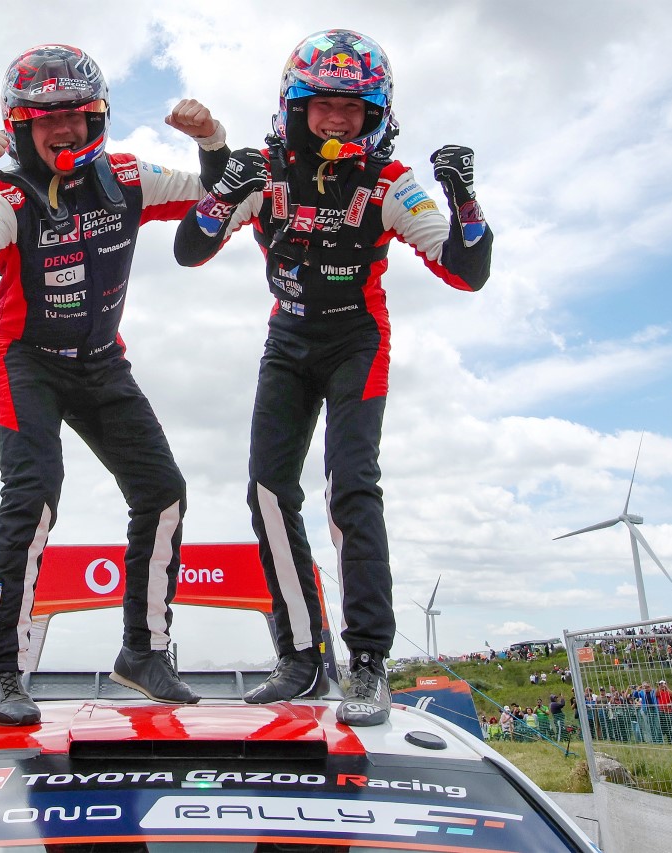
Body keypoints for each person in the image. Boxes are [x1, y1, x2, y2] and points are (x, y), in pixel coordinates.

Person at [173, 29, 492, 727]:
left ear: (376, 115)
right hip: (287, 341)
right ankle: (300, 656)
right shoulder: (263, 170)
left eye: (354, 108)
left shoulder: (390, 180)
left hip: (357, 340)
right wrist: (224, 191)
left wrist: (463, 196)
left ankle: (368, 662)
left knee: (350, 486)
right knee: (266, 490)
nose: (339, 120)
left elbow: (467, 271)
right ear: (296, 107)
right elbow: (188, 250)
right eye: (324, 105)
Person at [0, 44, 230, 725]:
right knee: (33, 495)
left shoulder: (127, 175)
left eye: (76, 115)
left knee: (163, 491)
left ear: (97, 117)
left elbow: (216, 196)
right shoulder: (6, 196)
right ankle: (0, 671)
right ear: (20, 127)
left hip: (101, 361)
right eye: (46, 120)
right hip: (27, 362)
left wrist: (214, 141)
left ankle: (143, 653)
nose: (64, 130)